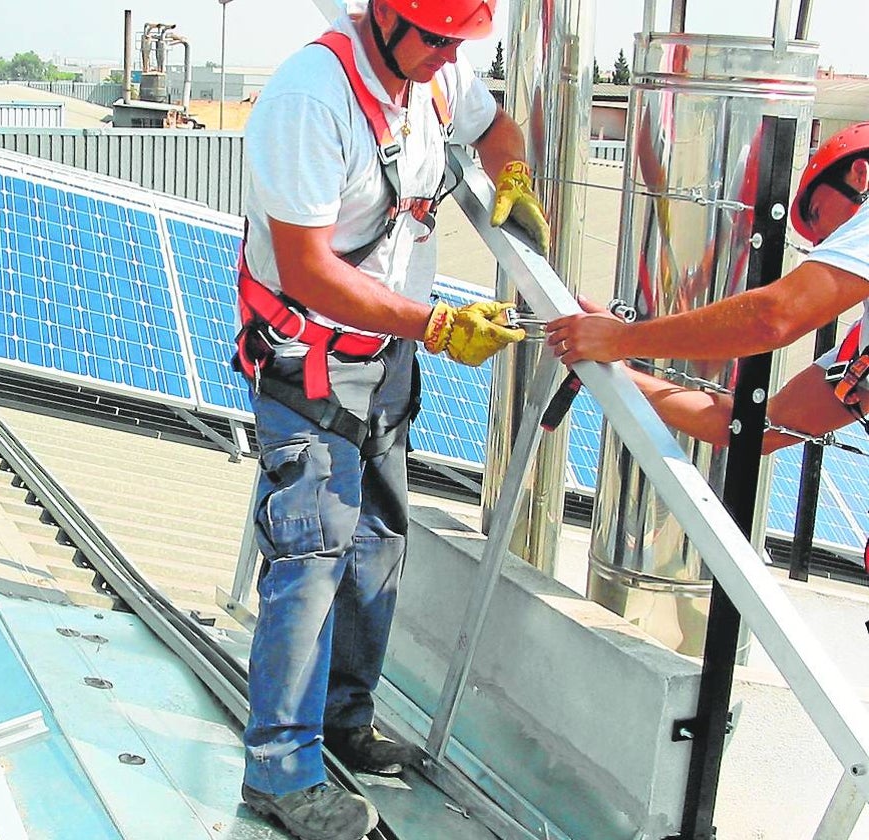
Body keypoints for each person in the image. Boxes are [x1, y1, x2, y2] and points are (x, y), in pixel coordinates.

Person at [232, 1, 551, 838]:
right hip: (314, 362)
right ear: (382, 16)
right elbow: (305, 266)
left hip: (389, 362)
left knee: (376, 548)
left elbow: (499, 130)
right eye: (435, 36)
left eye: (457, 40)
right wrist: (438, 325)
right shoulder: (313, 96)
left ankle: (344, 718)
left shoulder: (437, 72)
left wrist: (511, 176)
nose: (447, 54)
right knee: (310, 559)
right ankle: (280, 771)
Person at [546, 122, 869, 454]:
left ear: (861, 175)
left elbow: (773, 317)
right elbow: (767, 427)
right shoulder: (861, 350)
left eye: (816, 213)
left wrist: (619, 340)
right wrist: (617, 370)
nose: (819, 243)